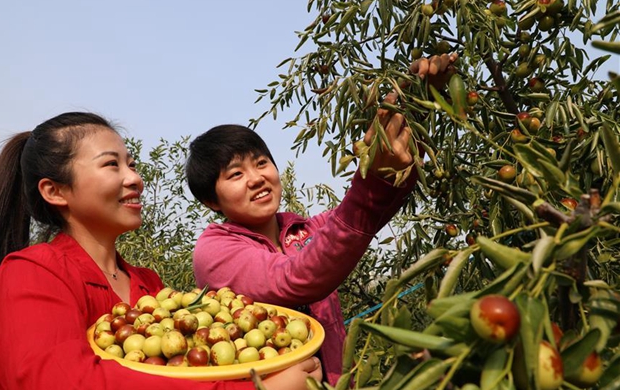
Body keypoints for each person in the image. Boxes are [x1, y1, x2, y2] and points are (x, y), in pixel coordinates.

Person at [0, 112, 322, 390]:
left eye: (132, 164)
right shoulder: (31, 274)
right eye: (111, 164)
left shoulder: (148, 287)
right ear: (55, 191)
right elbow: (62, 382)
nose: (134, 178)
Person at [185, 54, 458, 385]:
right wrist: (370, 178)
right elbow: (298, 276)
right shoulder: (215, 250)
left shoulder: (302, 231)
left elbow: (367, 211)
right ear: (211, 200)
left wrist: (415, 105)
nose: (256, 178)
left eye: (260, 163)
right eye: (236, 174)